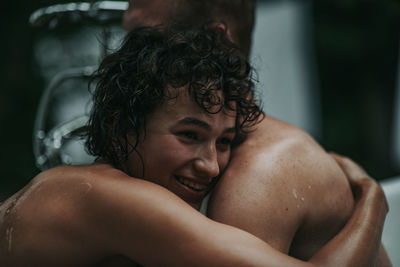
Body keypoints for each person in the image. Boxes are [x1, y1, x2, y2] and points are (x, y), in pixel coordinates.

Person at [0, 25, 389, 266]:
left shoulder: (74, 187)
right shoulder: (115, 199)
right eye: (189, 135)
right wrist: (372, 200)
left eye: (224, 142)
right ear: (121, 126)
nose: (211, 166)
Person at [123, 0, 392, 265]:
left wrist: (374, 201)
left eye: (142, 37)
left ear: (215, 40)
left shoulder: (256, 179)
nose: (126, 55)